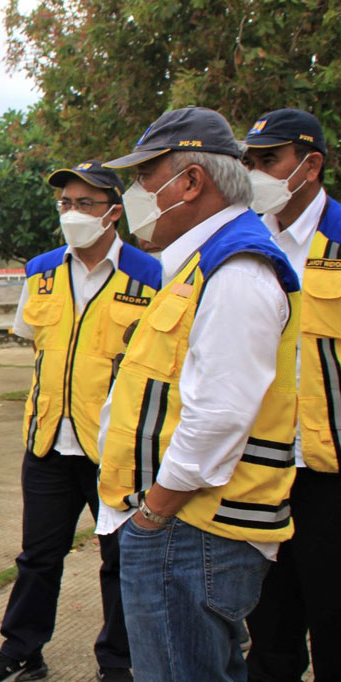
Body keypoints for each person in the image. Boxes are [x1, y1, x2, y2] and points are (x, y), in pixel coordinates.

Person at [95, 107, 299, 682]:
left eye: (145, 177)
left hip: (192, 528)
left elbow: (219, 415)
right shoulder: (194, 264)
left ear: (190, 182)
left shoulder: (236, 270)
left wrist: (154, 513)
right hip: (184, 524)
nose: (136, 194)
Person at [0, 162, 156, 682]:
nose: (72, 214)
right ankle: (22, 648)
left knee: (120, 561)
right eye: (65, 204)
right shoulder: (41, 271)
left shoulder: (150, 276)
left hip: (114, 449)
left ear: (114, 213)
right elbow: (34, 338)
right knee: (37, 557)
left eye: (85, 204)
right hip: (50, 441)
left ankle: (118, 660)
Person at [242, 109, 340, 681]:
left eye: (269, 161)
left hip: (329, 472)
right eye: (249, 162)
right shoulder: (247, 244)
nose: (256, 173)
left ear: (311, 165)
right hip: (263, 470)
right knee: (269, 632)